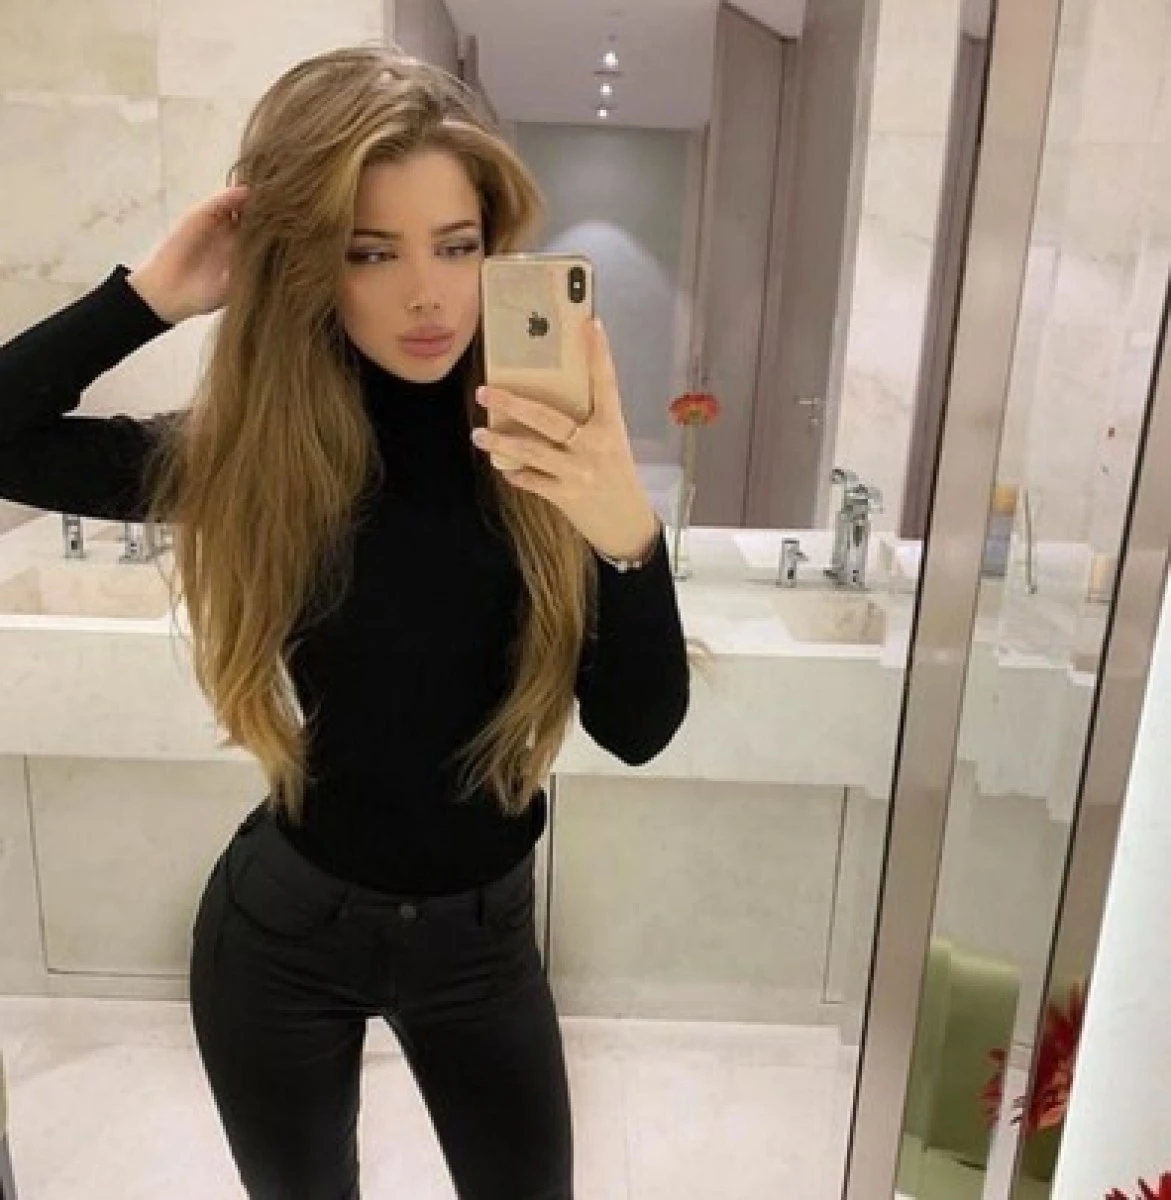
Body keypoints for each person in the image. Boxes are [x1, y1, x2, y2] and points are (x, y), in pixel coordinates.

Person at [0, 44, 705, 1200]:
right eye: (369, 252)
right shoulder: (258, 461)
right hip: (280, 937)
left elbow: (638, 727)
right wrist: (150, 295)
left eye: (457, 246)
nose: (426, 294)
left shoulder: (538, 458)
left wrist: (625, 524)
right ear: (307, 261)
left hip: (482, 948)